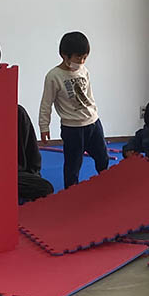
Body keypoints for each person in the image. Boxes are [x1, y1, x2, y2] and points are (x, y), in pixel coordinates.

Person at [38, 31, 109, 189]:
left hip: (93, 122)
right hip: (72, 128)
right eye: (78, 57)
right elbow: (46, 104)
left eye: (85, 57)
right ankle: (71, 192)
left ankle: (106, 185)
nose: (82, 61)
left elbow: (89, 95)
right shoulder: (54, 76)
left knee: (102, 157)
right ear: (65, 55)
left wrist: (94, 112)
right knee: (73, 165)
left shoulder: (84, 70)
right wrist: (44, 127)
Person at [18, 105, 53, 202]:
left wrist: (34, 176)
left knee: (44, 188)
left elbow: (32, 151)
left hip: (15, 175)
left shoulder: (18, 113)